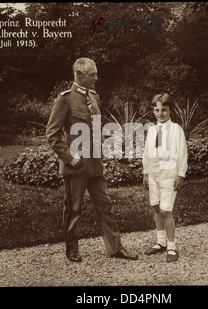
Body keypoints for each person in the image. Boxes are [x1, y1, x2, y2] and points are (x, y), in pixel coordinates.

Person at [46, 57, 138, 262]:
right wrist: (69, 158)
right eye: (92, 74)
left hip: (96, 166)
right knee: (73, 209)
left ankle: (115, 248)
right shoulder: (65, 99)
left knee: (105, 206)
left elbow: (96, 129)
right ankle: (72, 249)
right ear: (79, 75)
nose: (97, 77)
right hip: (76, 167)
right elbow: (52, 134)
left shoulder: (95, 97)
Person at [142, 93, 188, 262]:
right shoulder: (152, 130)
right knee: (156, 207)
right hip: (154, 174)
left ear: (170, 110)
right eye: (157, 110)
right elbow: (147, 153)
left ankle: (172, 246)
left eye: (164, 110)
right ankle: (160, 241)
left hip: (169, 174)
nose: (160, 113)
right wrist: (145, 173)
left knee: (165, 210)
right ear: (153, 111)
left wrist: (180, 174)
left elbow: (183, 153)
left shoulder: (176, 130)